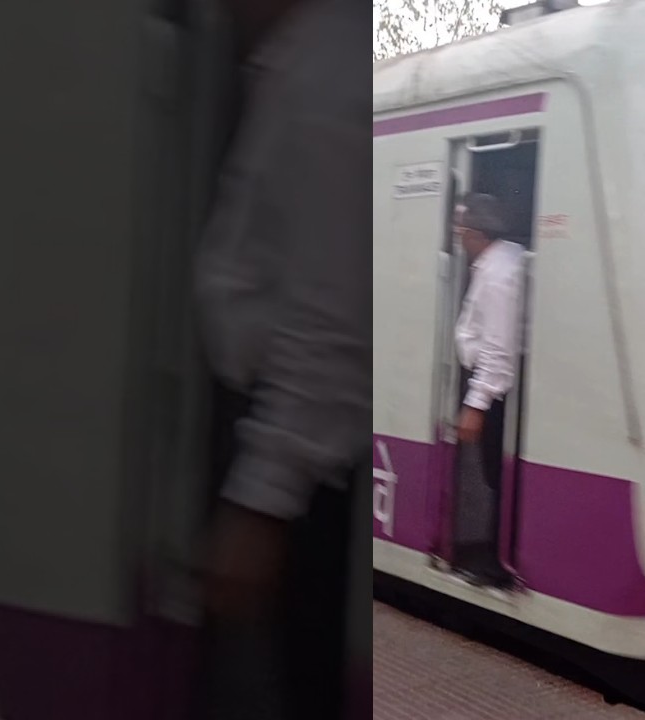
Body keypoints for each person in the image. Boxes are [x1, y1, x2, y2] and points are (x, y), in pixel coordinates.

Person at [192, 0, 368, 718]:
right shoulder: (304, 61)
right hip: (287, 449)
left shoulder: (327, 73)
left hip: (293, 466)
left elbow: (329, 312)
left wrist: (262, 502)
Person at [452, 193, 525, 584]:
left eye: (459, 227)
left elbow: (499, 348)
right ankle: (498, 554)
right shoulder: (508, 258)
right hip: (492, 385)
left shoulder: (498, 274)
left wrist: (475, 404)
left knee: (498, 473)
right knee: (499, 472)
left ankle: (497, 564)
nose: (456, 234)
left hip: (493, 390)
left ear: (477, 233)